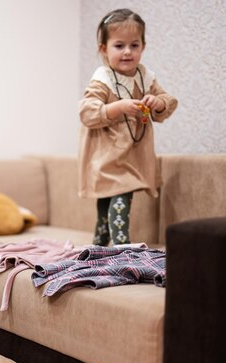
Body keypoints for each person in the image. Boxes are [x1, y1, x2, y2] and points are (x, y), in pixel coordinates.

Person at [78, 9, 178, 246]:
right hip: (107, 154)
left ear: (143, 47)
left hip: (131, 155)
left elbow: (167, 101)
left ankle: (99, 246)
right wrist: (117, 107)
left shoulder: (146, 77)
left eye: (134, 45)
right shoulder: (103, 79)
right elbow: (87, 111)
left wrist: (158, 102)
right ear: (104, 49)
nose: (127, 52)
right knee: (112, 196)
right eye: (119, 45)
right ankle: (120, 248)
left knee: (116, 194)